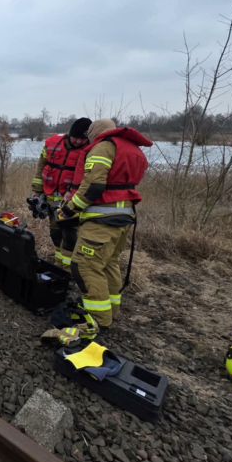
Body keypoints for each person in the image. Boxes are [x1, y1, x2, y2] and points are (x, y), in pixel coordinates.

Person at [57, 119, 152, 328]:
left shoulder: (103, 147)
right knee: (108, 264)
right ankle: (111, 311)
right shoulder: (129, 147)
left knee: (84, 265)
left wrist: (69, 208)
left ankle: (98, 319)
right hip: (124, 217)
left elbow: (93, 186)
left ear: (95, 132)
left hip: (102, 219)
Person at [30, 117, 92, 267]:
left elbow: (88, 177)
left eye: (82, 139)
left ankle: (68, 269)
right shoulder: (52, 143)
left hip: (71, 200)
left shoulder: (91, 150)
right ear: (70, 133)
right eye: (75, 137)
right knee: (55, 233)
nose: (78, 142)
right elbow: (40, 167)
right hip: (51, 196)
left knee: (70, 234)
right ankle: (59, 263)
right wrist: (37, 192)